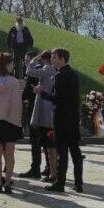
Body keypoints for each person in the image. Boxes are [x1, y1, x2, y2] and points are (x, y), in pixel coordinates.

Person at [41, 48, 83, 193]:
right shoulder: (74, 75)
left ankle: (60, 183)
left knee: (62, 153)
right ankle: (79, 183)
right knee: (75, 152)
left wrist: (42, 93)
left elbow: (58, 99)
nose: (52, 60)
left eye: (54, 58)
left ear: (62, 59)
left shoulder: (60, 76)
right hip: (72, 118)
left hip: (61, 118)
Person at [0, 53, 23, 194]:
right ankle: (8, 183)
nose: (13, 66)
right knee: (9, 154)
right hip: (11, 120)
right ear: (6, 65)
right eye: (12, 63)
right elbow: (17, 103)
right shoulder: (14, 82)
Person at [26, 51, 58, 185]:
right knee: (48, 144)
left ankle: (53, 172)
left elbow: (29, 71)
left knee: (49, 144)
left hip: (45, 109)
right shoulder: (52, 69)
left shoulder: (47, 68)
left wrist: (34, 60)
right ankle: (51, 171)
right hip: (47, 107)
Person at [19, 51, 47, 180]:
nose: (25, 63)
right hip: (40, 108)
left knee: (35, 140)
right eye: (25, 60)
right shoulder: (44, 69)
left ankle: (35, 167)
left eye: (27, 60)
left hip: (34, 109)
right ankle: (48, 168)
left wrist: (22, 97)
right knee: (44, 140)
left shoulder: (36, 71)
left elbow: (28, 91)